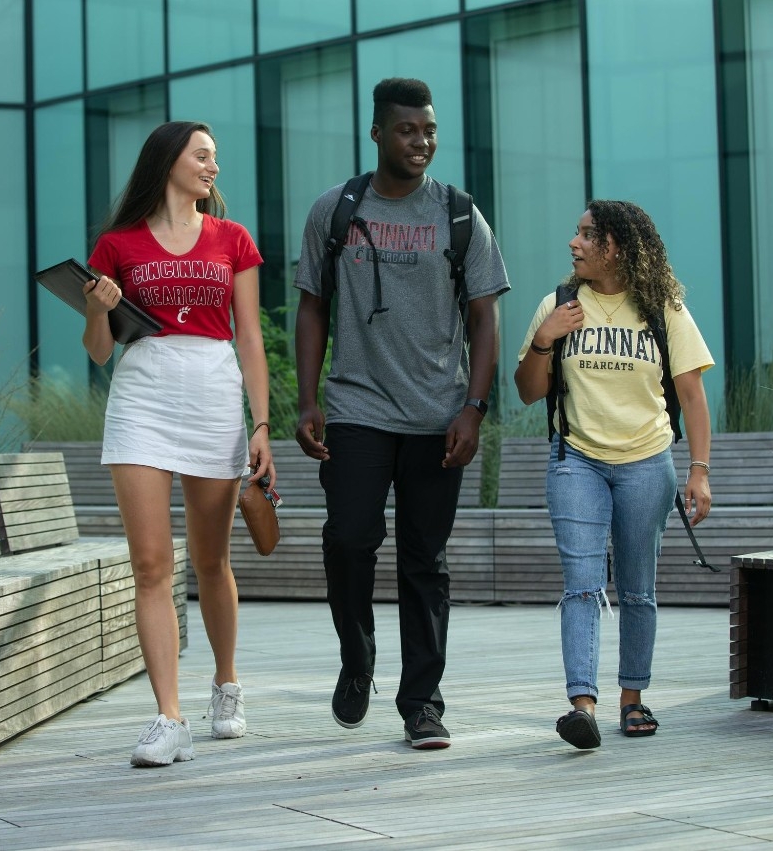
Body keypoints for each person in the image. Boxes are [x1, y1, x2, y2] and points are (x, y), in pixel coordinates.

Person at [293, 78, 509, 749]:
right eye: (409, 129)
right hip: (357, 405)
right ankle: (357, 659)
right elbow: (311, 306)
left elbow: (484, 316)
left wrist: (473, 408)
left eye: (430, 130)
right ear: (378, 133)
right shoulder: (336, 209)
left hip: (436, 415)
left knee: (425, 560)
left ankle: (422, 702)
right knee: (349, 538)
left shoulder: (459, 213)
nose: (422, 141)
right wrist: (306, 400)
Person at [82, 121, 274, 766]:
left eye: (214, 157)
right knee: (150, 565)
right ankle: (169, 717)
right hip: (142, 397)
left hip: (214, 395)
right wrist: (95, 310)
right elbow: (103, 351)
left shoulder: (232, 240)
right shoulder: (117, 245)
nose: (212, 166)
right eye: (202, 155)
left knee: (211, 560)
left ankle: (226, 681)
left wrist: (263, 424)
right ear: (168, 161)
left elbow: (250, 337)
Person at [514, 200, 713, 749]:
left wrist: (698, 470)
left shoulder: (662, 308)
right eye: (575, 233)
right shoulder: (558, 304)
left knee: (637, 589)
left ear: (615, 246)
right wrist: (544, 339)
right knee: (582, 585)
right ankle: (583, 704)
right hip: (576, 459)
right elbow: (529, 390)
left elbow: (692, 395)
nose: (573, 244)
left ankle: (633, 698)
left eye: (585, 235)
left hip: (647, 462)